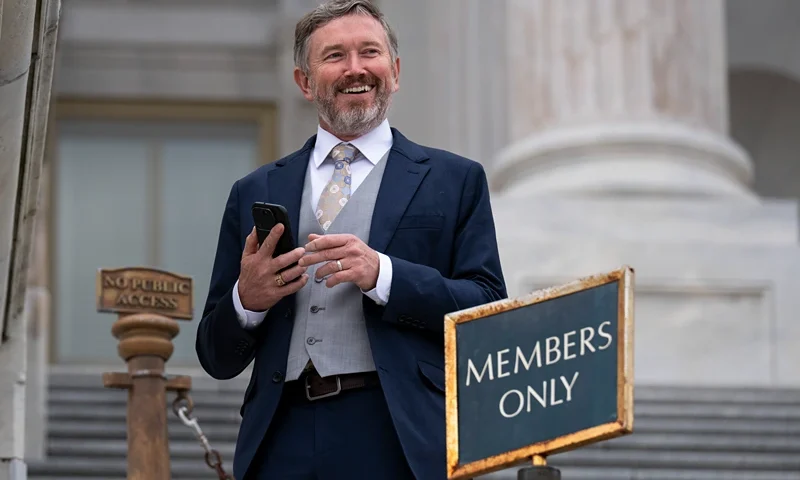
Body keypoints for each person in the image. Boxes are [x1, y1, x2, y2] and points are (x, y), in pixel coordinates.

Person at [195, 1, 507, 478]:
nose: (355, 68)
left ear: (395, 71)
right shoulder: (254, 191)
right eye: (335, 56)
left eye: (370, 52)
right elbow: (215, 356)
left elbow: (486, 310)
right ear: (304, 81)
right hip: (282, 437)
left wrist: (385, 275)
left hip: (397, 434)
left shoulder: (456, 178)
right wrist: (247, 302)